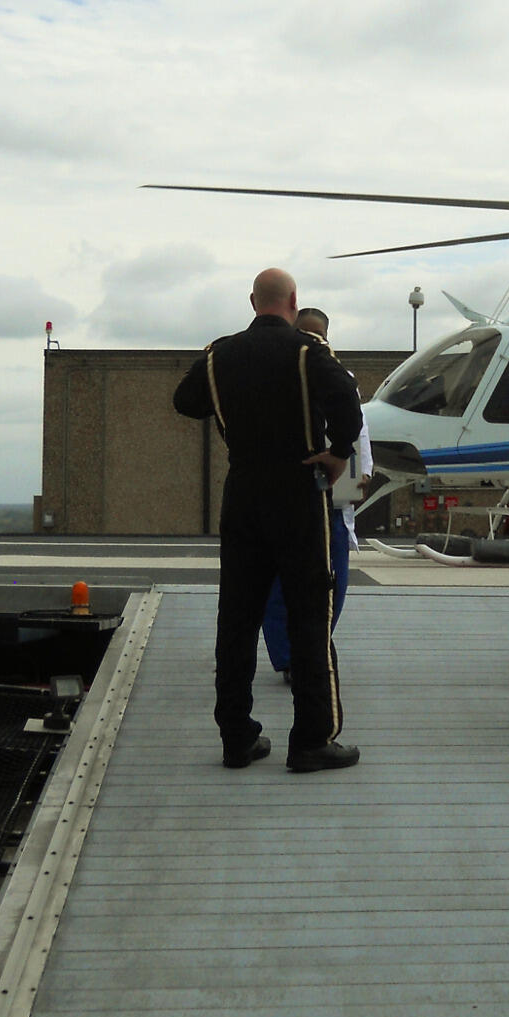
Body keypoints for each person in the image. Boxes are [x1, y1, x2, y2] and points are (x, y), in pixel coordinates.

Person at [172, 269, 362, 772]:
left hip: (243, 491)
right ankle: (312, 739)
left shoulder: (219, 354)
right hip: (298, 492)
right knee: (309, 614)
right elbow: (348, 403)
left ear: (252, 301)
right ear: (293, 302)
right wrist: (337, 453)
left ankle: (237, 736)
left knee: (236, 617)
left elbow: (185, 401)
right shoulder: (308, 351)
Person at [261, 307, 373, 679]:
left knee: (333, 583)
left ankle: (314, 650)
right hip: (289, 493)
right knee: (279, 582)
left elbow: (360, 429)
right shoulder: (279, 375)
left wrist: (364, 473)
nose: (311, 341)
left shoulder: (343, 377)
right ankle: (289, 657)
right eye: (304, 334)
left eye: (318, 336)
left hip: (335, 496)